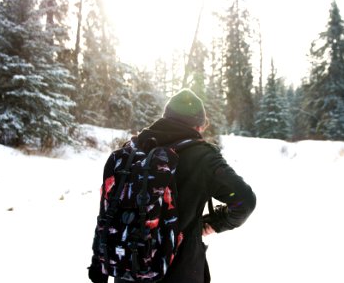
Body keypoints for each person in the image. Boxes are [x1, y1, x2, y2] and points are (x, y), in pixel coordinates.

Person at [89, 88, 256, 283]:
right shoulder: (203, 157)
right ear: (199, 126)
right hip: (180, 272)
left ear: (165, 117)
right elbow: (244, 201)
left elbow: (110, 207)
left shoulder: (132, 150)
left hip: (129, 269)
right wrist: (212, 224)